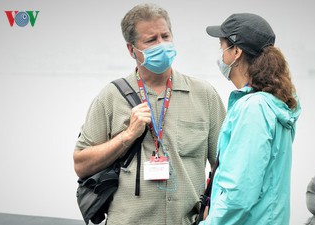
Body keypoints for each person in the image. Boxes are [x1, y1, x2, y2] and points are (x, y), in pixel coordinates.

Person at [73, 3, 226, 225]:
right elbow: (81, 165)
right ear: (131, 49)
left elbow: (223, 166)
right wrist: (126, 137)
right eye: (151, 40)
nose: (161, 45)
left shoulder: (204, 95)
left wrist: (213, 212)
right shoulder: (111, 96)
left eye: (165, 36)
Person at [199, 13, 301, 224]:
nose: (221, 55)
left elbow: (239, 193)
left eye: (223, 47)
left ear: (236, 52)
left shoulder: (254, 109)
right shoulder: (276, 103)